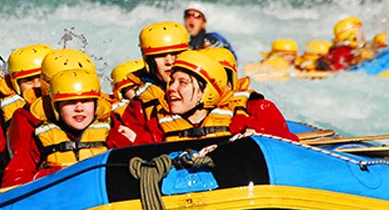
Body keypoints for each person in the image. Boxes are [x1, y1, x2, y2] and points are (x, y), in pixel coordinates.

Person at [110, 50, 296, 146]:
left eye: (182, 83)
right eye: (171, 82)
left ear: (205, 92)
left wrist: (257, 140)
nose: (171, 89)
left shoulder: (242, 122)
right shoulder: (156, 127)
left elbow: (285, 150)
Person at [2, 69, 111, 187]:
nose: (79, 108)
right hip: (60, 198)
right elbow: (12, 181)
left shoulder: (111, 132)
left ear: (96, 105)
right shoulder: (39, 138)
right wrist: (54, 174)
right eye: (70, 102)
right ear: (56, 107)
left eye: (86, 101)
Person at [0, 43, 52, 188]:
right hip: (22, 178)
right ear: (15, 86)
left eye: (41, 78)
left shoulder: (76, 108)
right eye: (28, 80)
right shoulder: (5, 119)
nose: (37, 86)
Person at [110, 21, 191, 146]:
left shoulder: (209, 90)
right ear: (148, 61)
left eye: (176, 54)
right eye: (161, 55)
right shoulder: (139, 105)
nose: (169, 61)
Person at [202, 47, 299, 141]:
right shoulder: (190, 111)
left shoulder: (259, 108)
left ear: (230, 82)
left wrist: (255, 137)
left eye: (217, 80)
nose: (212, 87)